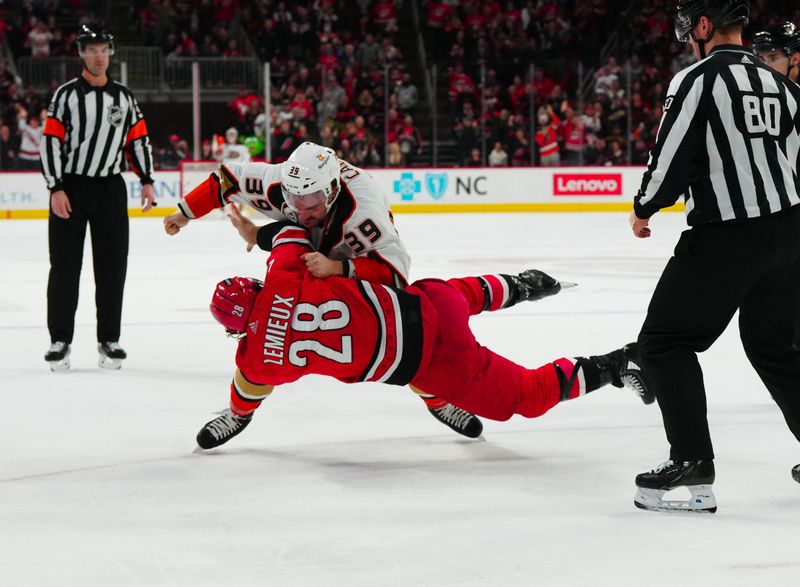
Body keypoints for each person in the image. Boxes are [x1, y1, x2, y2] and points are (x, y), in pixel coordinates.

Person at [194, 222, 653, 450]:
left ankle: (614, 364)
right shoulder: (282, 274)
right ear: (253, 287)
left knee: (524, 398)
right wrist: (256, 233)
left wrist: (237, 415)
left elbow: (246, 389)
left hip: (432, 360)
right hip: (423, 301)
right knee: (457, 295)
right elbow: (290, 231)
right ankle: (522, 284)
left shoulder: (257, 359)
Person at [163, 141, 484, 438]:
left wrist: (339, 268)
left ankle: (438, 400)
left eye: (311, 200)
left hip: (356, 264)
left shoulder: (364, 217)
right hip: (312, 253)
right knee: (271, 334)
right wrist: (185, 212)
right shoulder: (278, 183)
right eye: (293, 199)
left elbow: (394, 276)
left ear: (331, 191)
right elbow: (226, 179)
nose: (302, 209)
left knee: (405, 333)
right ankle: (239, 412)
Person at [629, 0, 800, 513]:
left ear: (705, 26)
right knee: (773, 347)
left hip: (728, 232)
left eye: (690, 27)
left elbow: (672, 154)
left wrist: (645, 206)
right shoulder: (787, 87)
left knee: (664, 343)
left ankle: (691, 465)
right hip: (791, 232)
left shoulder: (696, 79)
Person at [40, 23, 156, 372]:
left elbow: (138, 140)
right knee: (64, 268)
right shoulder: (64, 96)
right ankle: (60, 339)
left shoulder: (123, 97)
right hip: (71, 189)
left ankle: (110, 339)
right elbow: (51, 142)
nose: (99, 56)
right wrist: (55, 187)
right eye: (92, 50)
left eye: (104, 49)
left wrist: (147, 180)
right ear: (80, 53)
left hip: (110, 188)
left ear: (111, 53)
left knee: (111, 269)